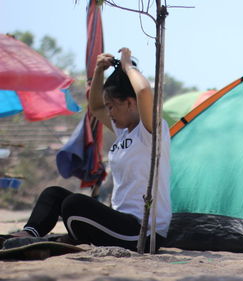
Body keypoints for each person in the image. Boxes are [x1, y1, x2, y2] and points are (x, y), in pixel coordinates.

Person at [3, 48, 171, 252]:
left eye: (112, 106)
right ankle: (29, 234)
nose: (108, 111)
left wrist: (127, 67)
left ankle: (69, 238)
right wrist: (99, 71)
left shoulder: (151, 131)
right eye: (108, 106)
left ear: (129, 102)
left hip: (141, 232)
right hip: (120, 222)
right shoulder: (123, 133)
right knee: (53, 194)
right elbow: (96, 108)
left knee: (74, 204)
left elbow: (143, 92)